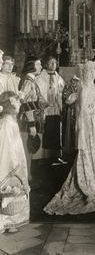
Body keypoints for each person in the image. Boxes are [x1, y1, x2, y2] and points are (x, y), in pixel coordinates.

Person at [44, 61, 95, 215]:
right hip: (89, 126)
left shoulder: (92, 86)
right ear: (89, 72)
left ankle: (94, 182)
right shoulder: (85, 88)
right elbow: (84, 112)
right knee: (86, 155)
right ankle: (87, 185)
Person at [0, 91, 30, 233]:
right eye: (17, 102)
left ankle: (11, 221)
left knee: (15, 192)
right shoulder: (6, 123)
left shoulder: (11, 121)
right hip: (10, 161)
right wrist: (13, 164)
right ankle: (5, 221)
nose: (19, 104)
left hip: (16, 157)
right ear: (10, 105)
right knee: (8, 189)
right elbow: (6, 146)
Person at [19, 56, 47, 181]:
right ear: (31, 66)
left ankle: (27, 177)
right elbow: (24, 103)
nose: (41, 67)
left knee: (29, 148)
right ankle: (25, 178)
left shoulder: (31, 80)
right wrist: (31, 124)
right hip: (26, 121)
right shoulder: (28, 81)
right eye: (38, 64)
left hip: (30, 120)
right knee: (26, 149)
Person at [36, 56, 65, 163]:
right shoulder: (40, 77)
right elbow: (39, 90)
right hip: (45, 107)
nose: (54, 65)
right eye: (51, 63)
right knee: (45, 128)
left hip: (55, 107)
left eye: (55, 63)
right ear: (46, 64)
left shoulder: (59, 77)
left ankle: (54, 155)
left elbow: (61, 90)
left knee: (55, 129)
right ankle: (43, 156)